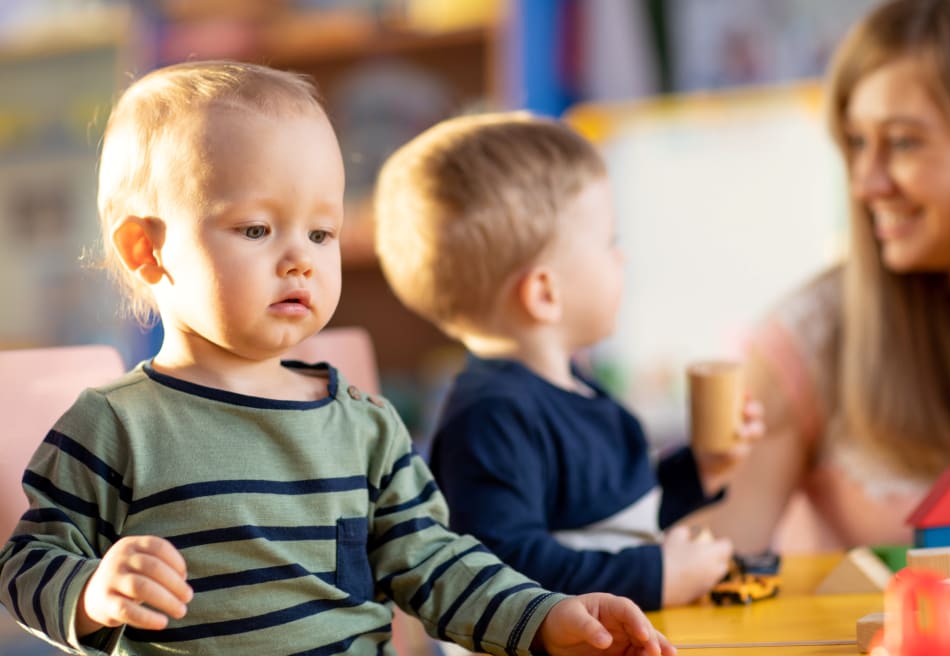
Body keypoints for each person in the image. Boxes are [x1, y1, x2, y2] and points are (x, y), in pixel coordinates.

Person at [0, 61, 677, 656]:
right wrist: (90, 592)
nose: (300, 258)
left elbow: (437, 565)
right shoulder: (114, 426)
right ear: (147, 252)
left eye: (321, 231)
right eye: (257, 229)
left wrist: (547, 617)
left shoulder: (364, 427)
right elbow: (25, 564)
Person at [373, 113, 763, 611]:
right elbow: (505, 566)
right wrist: (655, 575)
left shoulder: (572, 388)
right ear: (544, 293)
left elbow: (610, 521)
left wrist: (701, 470)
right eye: (609, 244)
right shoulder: (491, 418)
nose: (622, 259)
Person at [702, 0, 950, 554]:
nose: (866, 184)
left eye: (904, 142)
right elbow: (710, 550)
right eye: (858, 143)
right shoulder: (805, 340)